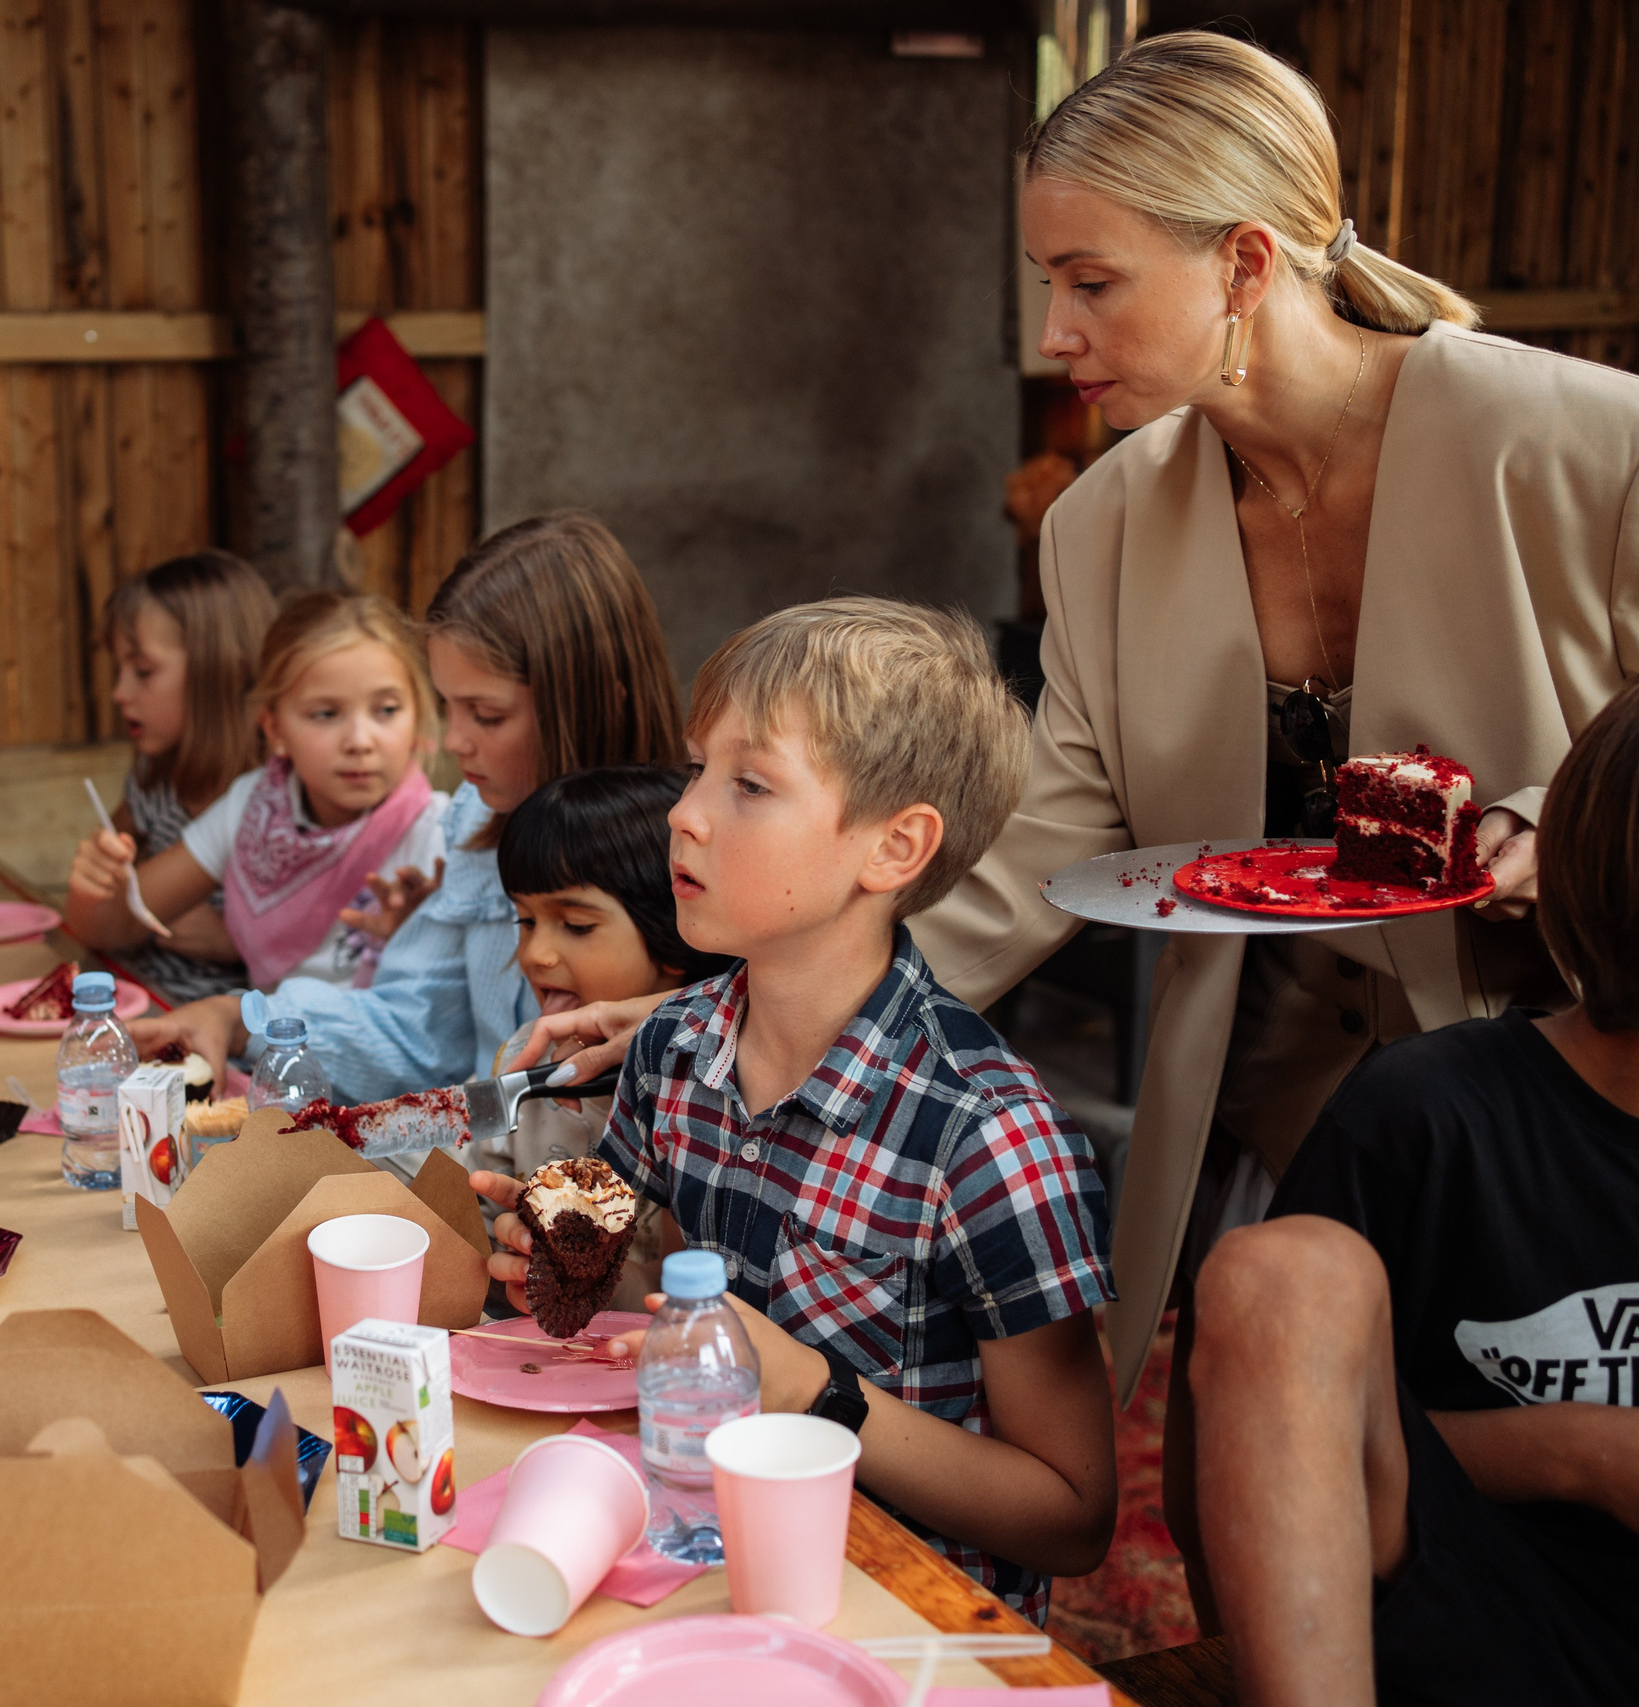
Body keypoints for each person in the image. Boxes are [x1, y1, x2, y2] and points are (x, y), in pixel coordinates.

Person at [511, 30, 1639, 1417]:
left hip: (1573, 1065)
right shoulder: (1102, 523)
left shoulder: (1588, 446)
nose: (1054, 334)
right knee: (1266, 1462)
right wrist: (740, 1003)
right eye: (1049, 283)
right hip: (1269, 1089)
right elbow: (1048, 831)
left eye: (1092, 283)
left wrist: (1556, 828)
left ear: (1244, 261)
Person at [481, 600, 1117, 1617]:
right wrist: (570, 1254)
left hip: (897, 1612)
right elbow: (655, 1271)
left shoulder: (987, 1136)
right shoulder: (675, 1046)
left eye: (750, 785)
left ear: (894, 849)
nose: (683, 815)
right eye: (697, 771)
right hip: (702, 1558)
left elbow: (1072, 1516)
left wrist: (814, 1394)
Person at [1186, 681, 1639, 1707]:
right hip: (1472, 1622)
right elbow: (1279, 1431)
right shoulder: (1431, 1112)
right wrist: (1580, 1451)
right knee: (1278, 1271)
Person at [133, 512, 686, 1097]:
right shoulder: (478, 824)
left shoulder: (688, 857)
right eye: (447, 708)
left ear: (595, 704)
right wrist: (238, 1019)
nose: (453, 742)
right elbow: (412, 1029)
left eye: (488, 715)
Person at [68, 590, 447, 994]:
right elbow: (118, 925)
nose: (360, 741)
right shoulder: (253, 808)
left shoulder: (441, 833)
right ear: (274, 729)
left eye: (386, 710)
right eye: (326, 714)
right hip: (264, 1050)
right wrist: (95, 890)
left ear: (417, 715)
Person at [483, 766, 736, 1304]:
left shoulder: (698, 1084)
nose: (536, 953)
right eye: (525, 921)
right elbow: (477, 1191)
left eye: (576, 926)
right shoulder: (525, 1055)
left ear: (669, 934)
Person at [91, 551, 276, 1003]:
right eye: (118, 671)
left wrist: (237, 945)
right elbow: (97, 915)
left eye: (143, 672)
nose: (119, 694)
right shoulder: (153, 782)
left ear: (223, 672)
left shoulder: (282, 798)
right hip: (138, 1000)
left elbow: (335, 952)